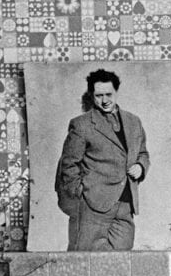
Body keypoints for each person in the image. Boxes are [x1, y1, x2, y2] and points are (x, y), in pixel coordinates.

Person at [55, 69, 150, 251]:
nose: (105, 100)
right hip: (92, 205)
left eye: (109, 94)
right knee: (86, 261)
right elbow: (68, 164)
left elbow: (143, 153)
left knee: (121, 264)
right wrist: (81, 195)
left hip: (126, 204)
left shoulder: (133, 122)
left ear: (116, 92)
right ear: (92, 95)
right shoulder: (81, 124)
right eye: (99, 95)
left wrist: (140, 166)